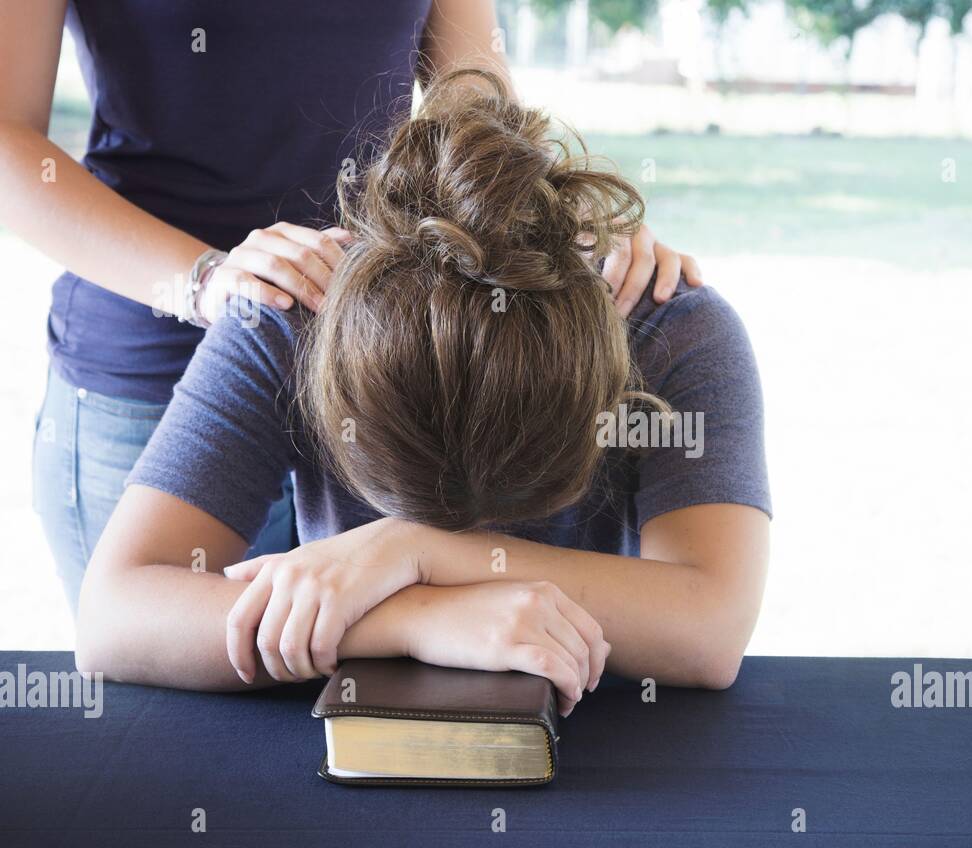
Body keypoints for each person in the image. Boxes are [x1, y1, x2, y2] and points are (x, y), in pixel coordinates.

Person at [77, 72, 770, 714]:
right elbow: (112, 617)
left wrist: (410, 551)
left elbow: (710, 630)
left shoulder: (673, 328)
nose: (466, 537)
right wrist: (415, 619)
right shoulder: (292, 312)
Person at [0, 0, 699, 612]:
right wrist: (204, 280)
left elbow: (473, 98)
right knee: (179, 723)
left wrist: (552, 210)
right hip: (150, 375)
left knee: (367, 691)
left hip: (377, 372)